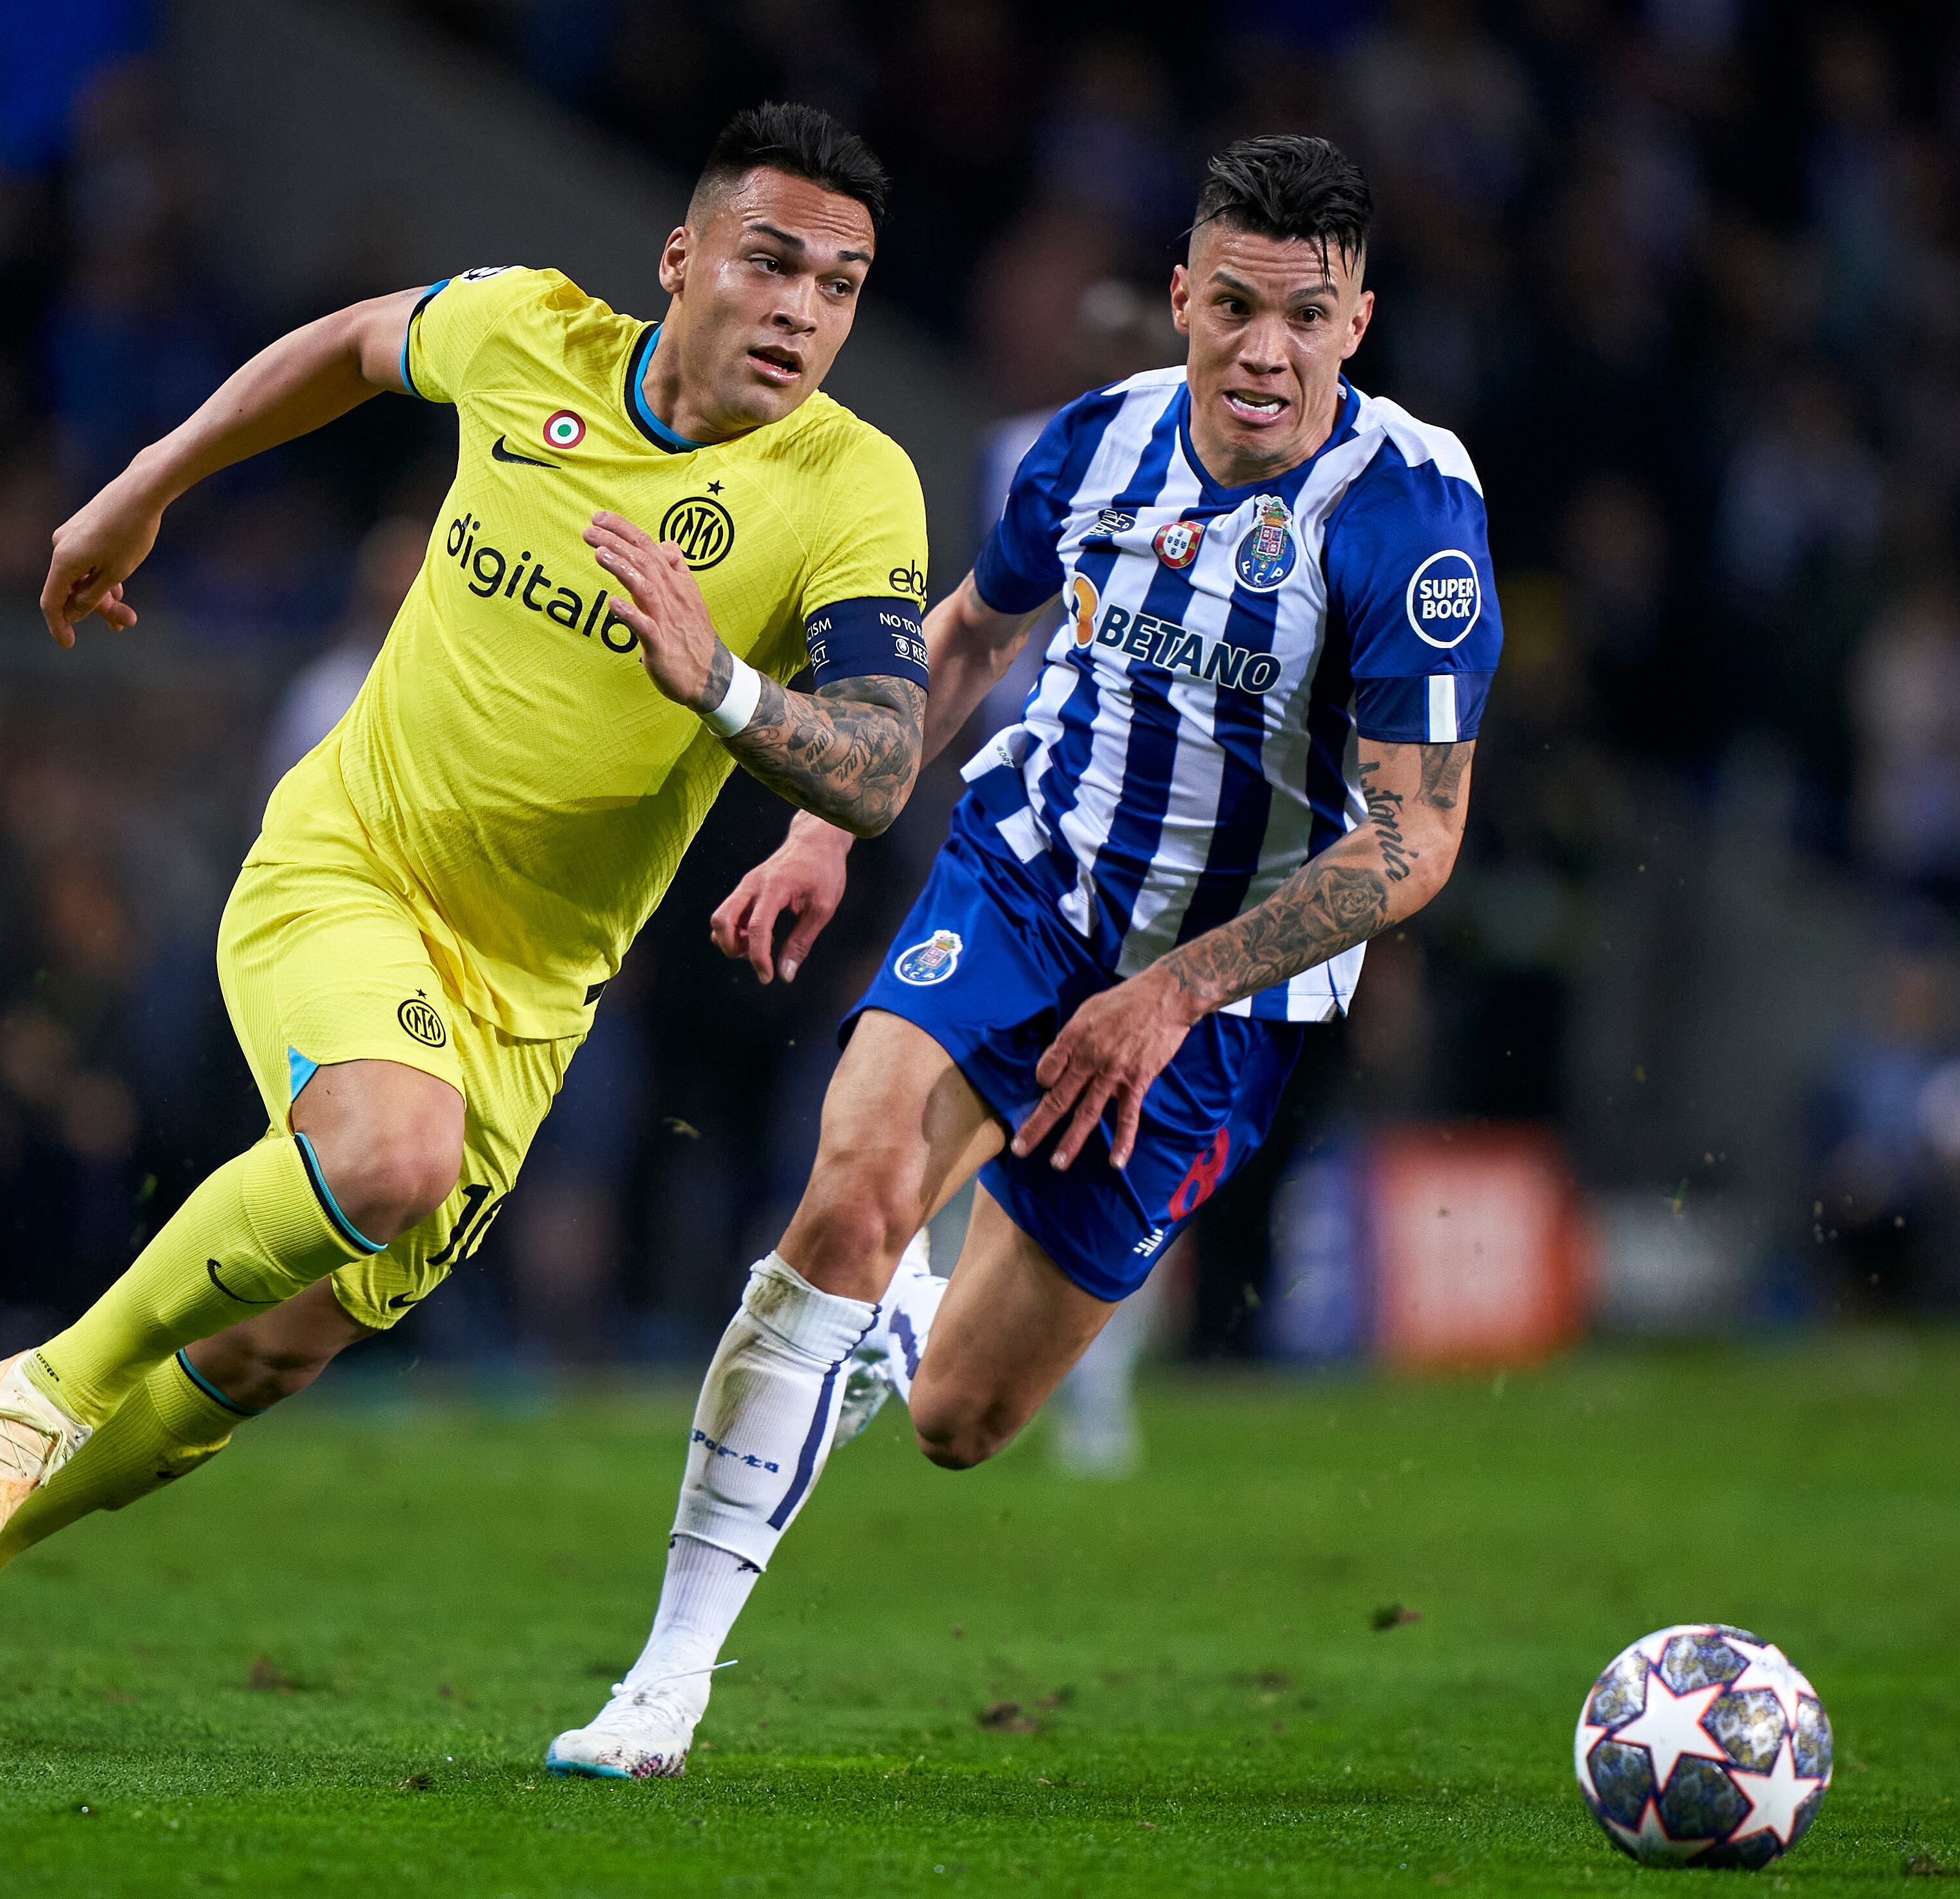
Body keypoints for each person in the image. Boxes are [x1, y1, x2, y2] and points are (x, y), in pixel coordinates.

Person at [0, 104, 934, 1751]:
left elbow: (878, 761)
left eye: (840, 285)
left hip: (534, 996)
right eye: (770, 260)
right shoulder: (529, 333)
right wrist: (149, 486)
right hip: (350, 872)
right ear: (683, 261)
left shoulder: (852, 487)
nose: (800, 309)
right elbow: (361, 345)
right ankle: (42, 1391)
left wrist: (718, 681)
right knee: (384, 1159)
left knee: (279, 1350)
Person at [548, 135, 1501, 1777]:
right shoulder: (1097, 443)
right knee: (848, 1192)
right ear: (1184, 298)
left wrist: (1180, 987)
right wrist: (832, 827)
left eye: (1307, 316)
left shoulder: (1412, 526)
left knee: (961, 1425)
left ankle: (898, 1335)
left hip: (1219, 1002)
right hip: (1025, 881)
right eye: (1234, 307)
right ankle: (664, 1688)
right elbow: (973, 640)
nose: (1263, 352)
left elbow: (1416, 838)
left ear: (1358, 323)